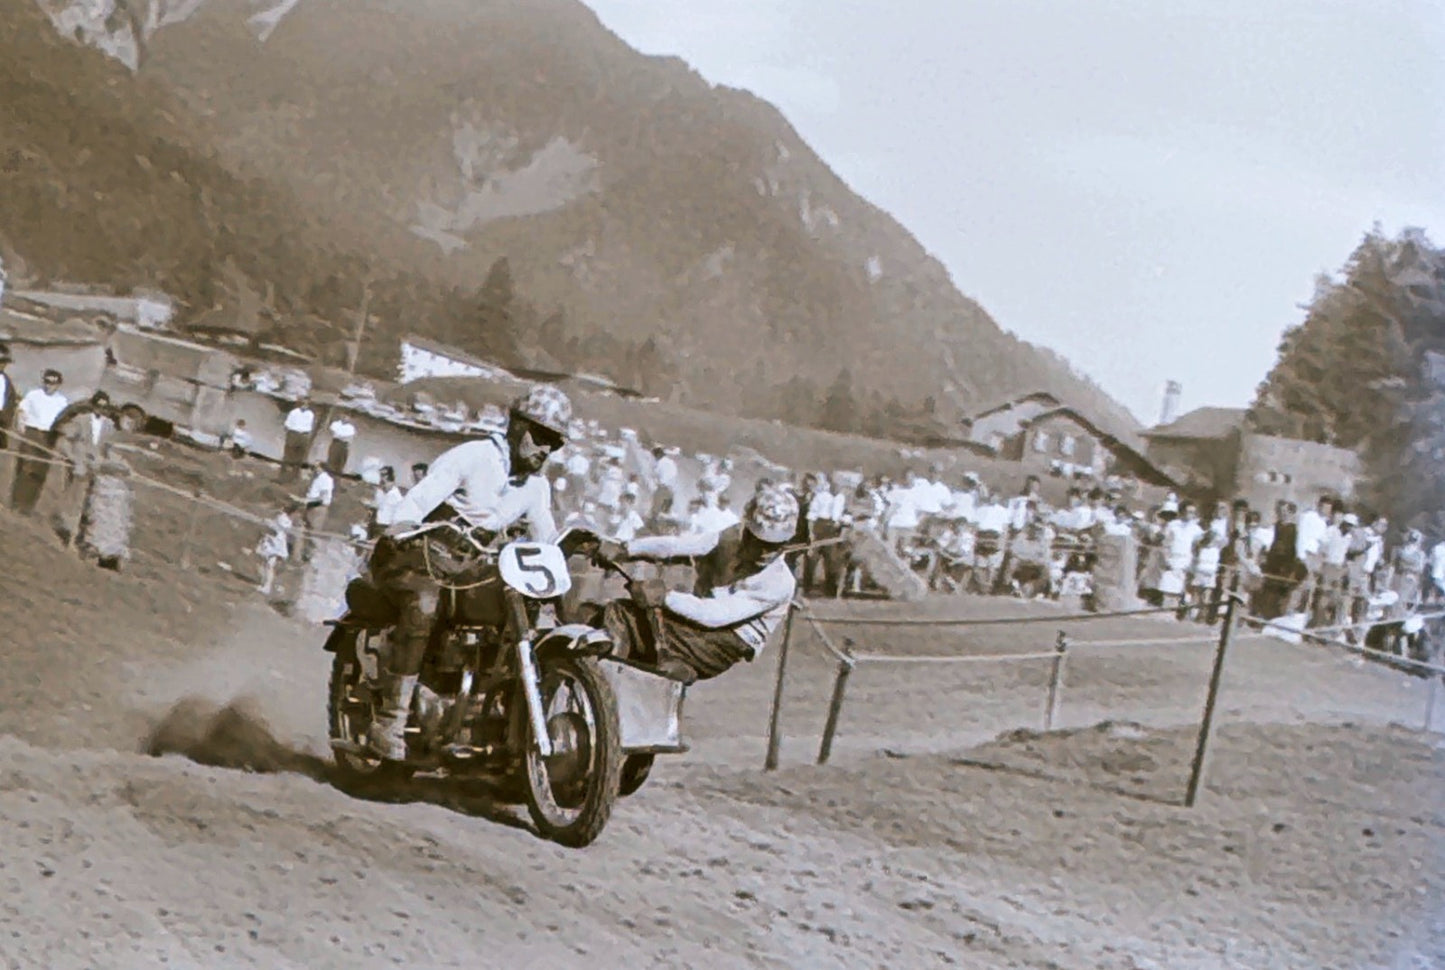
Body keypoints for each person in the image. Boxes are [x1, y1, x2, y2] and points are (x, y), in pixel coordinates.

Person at [363, 385, 573, 761]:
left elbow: (546, 539)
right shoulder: (474, 456)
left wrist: (574, 550)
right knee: (425, 605)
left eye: (554, 443)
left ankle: (490, 712)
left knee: (519, 616)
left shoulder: (536, 487)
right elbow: (421, 498)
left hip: (470, 570)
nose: (545, 449)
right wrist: (403, 522)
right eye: (540, 436)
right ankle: (390, 720)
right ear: (516, 425)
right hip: (420, 554)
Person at [599, 486, 800, 684]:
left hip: (723, 643)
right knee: (614, 619)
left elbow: (716, 614)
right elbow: (681, 545)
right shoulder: (731, 536)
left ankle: (610, 690)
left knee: (621, 614)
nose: (766, 552)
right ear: (746, 530)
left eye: (776, 545)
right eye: (761, 542)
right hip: (700, 628)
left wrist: (664, 596)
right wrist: (627, 549)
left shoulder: (779, 583)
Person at [53, 391, 118, 549]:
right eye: (98, 406)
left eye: (104, 407)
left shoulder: (109, 426)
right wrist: (72, 458)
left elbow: (108, 449)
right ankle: (66, 530)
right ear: (92, 405)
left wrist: (105, 463)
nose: (100, 410)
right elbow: (64, 441)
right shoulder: (80, 420)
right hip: (78, 466)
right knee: (74, 497)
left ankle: (81, 535)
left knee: (90, 502)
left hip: (95, 469)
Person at [11, 369, 69, 515]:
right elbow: (21, 410)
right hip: (32, 432)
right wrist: (21, 426)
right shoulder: (34, 395)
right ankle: (17, 502)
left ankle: (28, 506)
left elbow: (64, 420)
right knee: (26, 468)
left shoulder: (62, 401)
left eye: (53, 383)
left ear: (58, 384)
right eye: (47, 382)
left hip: (49, 436)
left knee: (40, 471)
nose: (49, 386)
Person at [369, 465, 404, 539]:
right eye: (381, 475)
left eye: (384, 475)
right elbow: (377, 505)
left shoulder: (396, 496)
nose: (382, 478)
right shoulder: (380, 492)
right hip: (376, 524)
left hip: (387, 526)